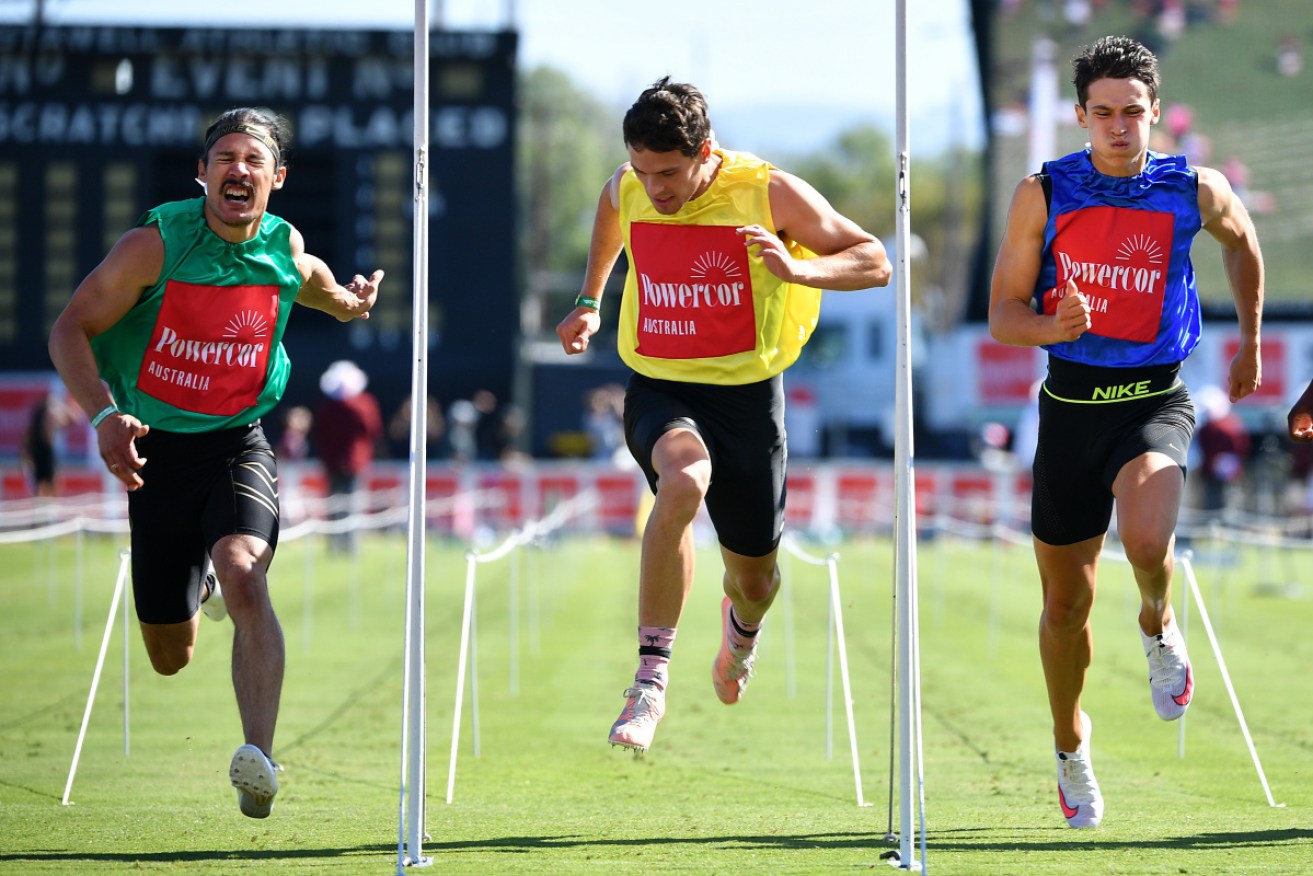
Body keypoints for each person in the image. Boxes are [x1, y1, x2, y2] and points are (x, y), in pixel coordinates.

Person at [47, 107, 383, 819]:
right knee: (170, 656)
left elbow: (311, 276)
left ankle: (256, 759)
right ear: (202, 174)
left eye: (253, 159)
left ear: (276, 179)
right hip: (155, 452)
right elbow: (68, 328)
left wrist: (351, 306)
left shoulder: (280, 244)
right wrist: (106, 418)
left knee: (243, 569)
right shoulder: (154, 246)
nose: (239, 169)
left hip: (238, 441)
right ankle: (190, 590)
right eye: (224, 157)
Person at [555, 77, 890, 753]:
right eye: (644, 172)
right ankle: (649, 682)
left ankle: (739, 633)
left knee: (755, 582)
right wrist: (590, 298)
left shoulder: (767, 192)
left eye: (670, 174)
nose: (656, 190)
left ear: (705, 150)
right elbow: (611, 214)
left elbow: (873, 261)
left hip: (746, 399)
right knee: (681, 482)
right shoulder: (629, 184)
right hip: (660, 384)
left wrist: (800, 274)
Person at [989, 36, 1263, 829]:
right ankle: (1069, 748)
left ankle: (1156, 622)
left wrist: (1246, 340)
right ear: (1079, 115)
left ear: (1153, 112)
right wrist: (1049, 323)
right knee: (1065, 607)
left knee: (1147, 542)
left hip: (1154, 400)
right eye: (1102, 113)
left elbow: (1242, 241)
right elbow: (1002, 316)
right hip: (1069, 412)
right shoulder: (1042, 192)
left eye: (1132, 113)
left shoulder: (1191, 187)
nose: (1118, 126)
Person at [313, 360, 383, 554]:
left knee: (341, 503)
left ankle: (341, 545)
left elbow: (319, 432)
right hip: (348, 461)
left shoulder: (331, 406)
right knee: (345, 504)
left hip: (341, 461)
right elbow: (374, 430)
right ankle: (344, 546)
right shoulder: (363, 404)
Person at [22, 393, 70, 497]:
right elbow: (67, 421)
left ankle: (45, 503)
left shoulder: (36, 423)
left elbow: (26, 441)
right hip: (44, 452)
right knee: (49, 483)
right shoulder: (48, 416)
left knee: (42, 484)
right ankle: (50, 504)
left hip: (39, 452)